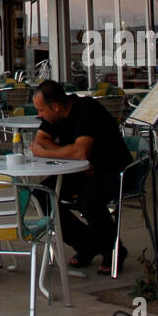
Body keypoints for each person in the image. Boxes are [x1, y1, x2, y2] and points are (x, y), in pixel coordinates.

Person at [31, 80, 132, 274]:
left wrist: (47, 153)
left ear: (56, 106)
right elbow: (41, 140)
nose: (39, 115)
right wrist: (66, 152)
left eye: (42, 111)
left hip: (113, 170)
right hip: (81, 171)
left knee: (88, 201)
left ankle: (113, 250)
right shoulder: (55, 117)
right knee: (41, 194)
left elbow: (80, 152)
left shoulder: (87, 109)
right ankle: (87, 244)